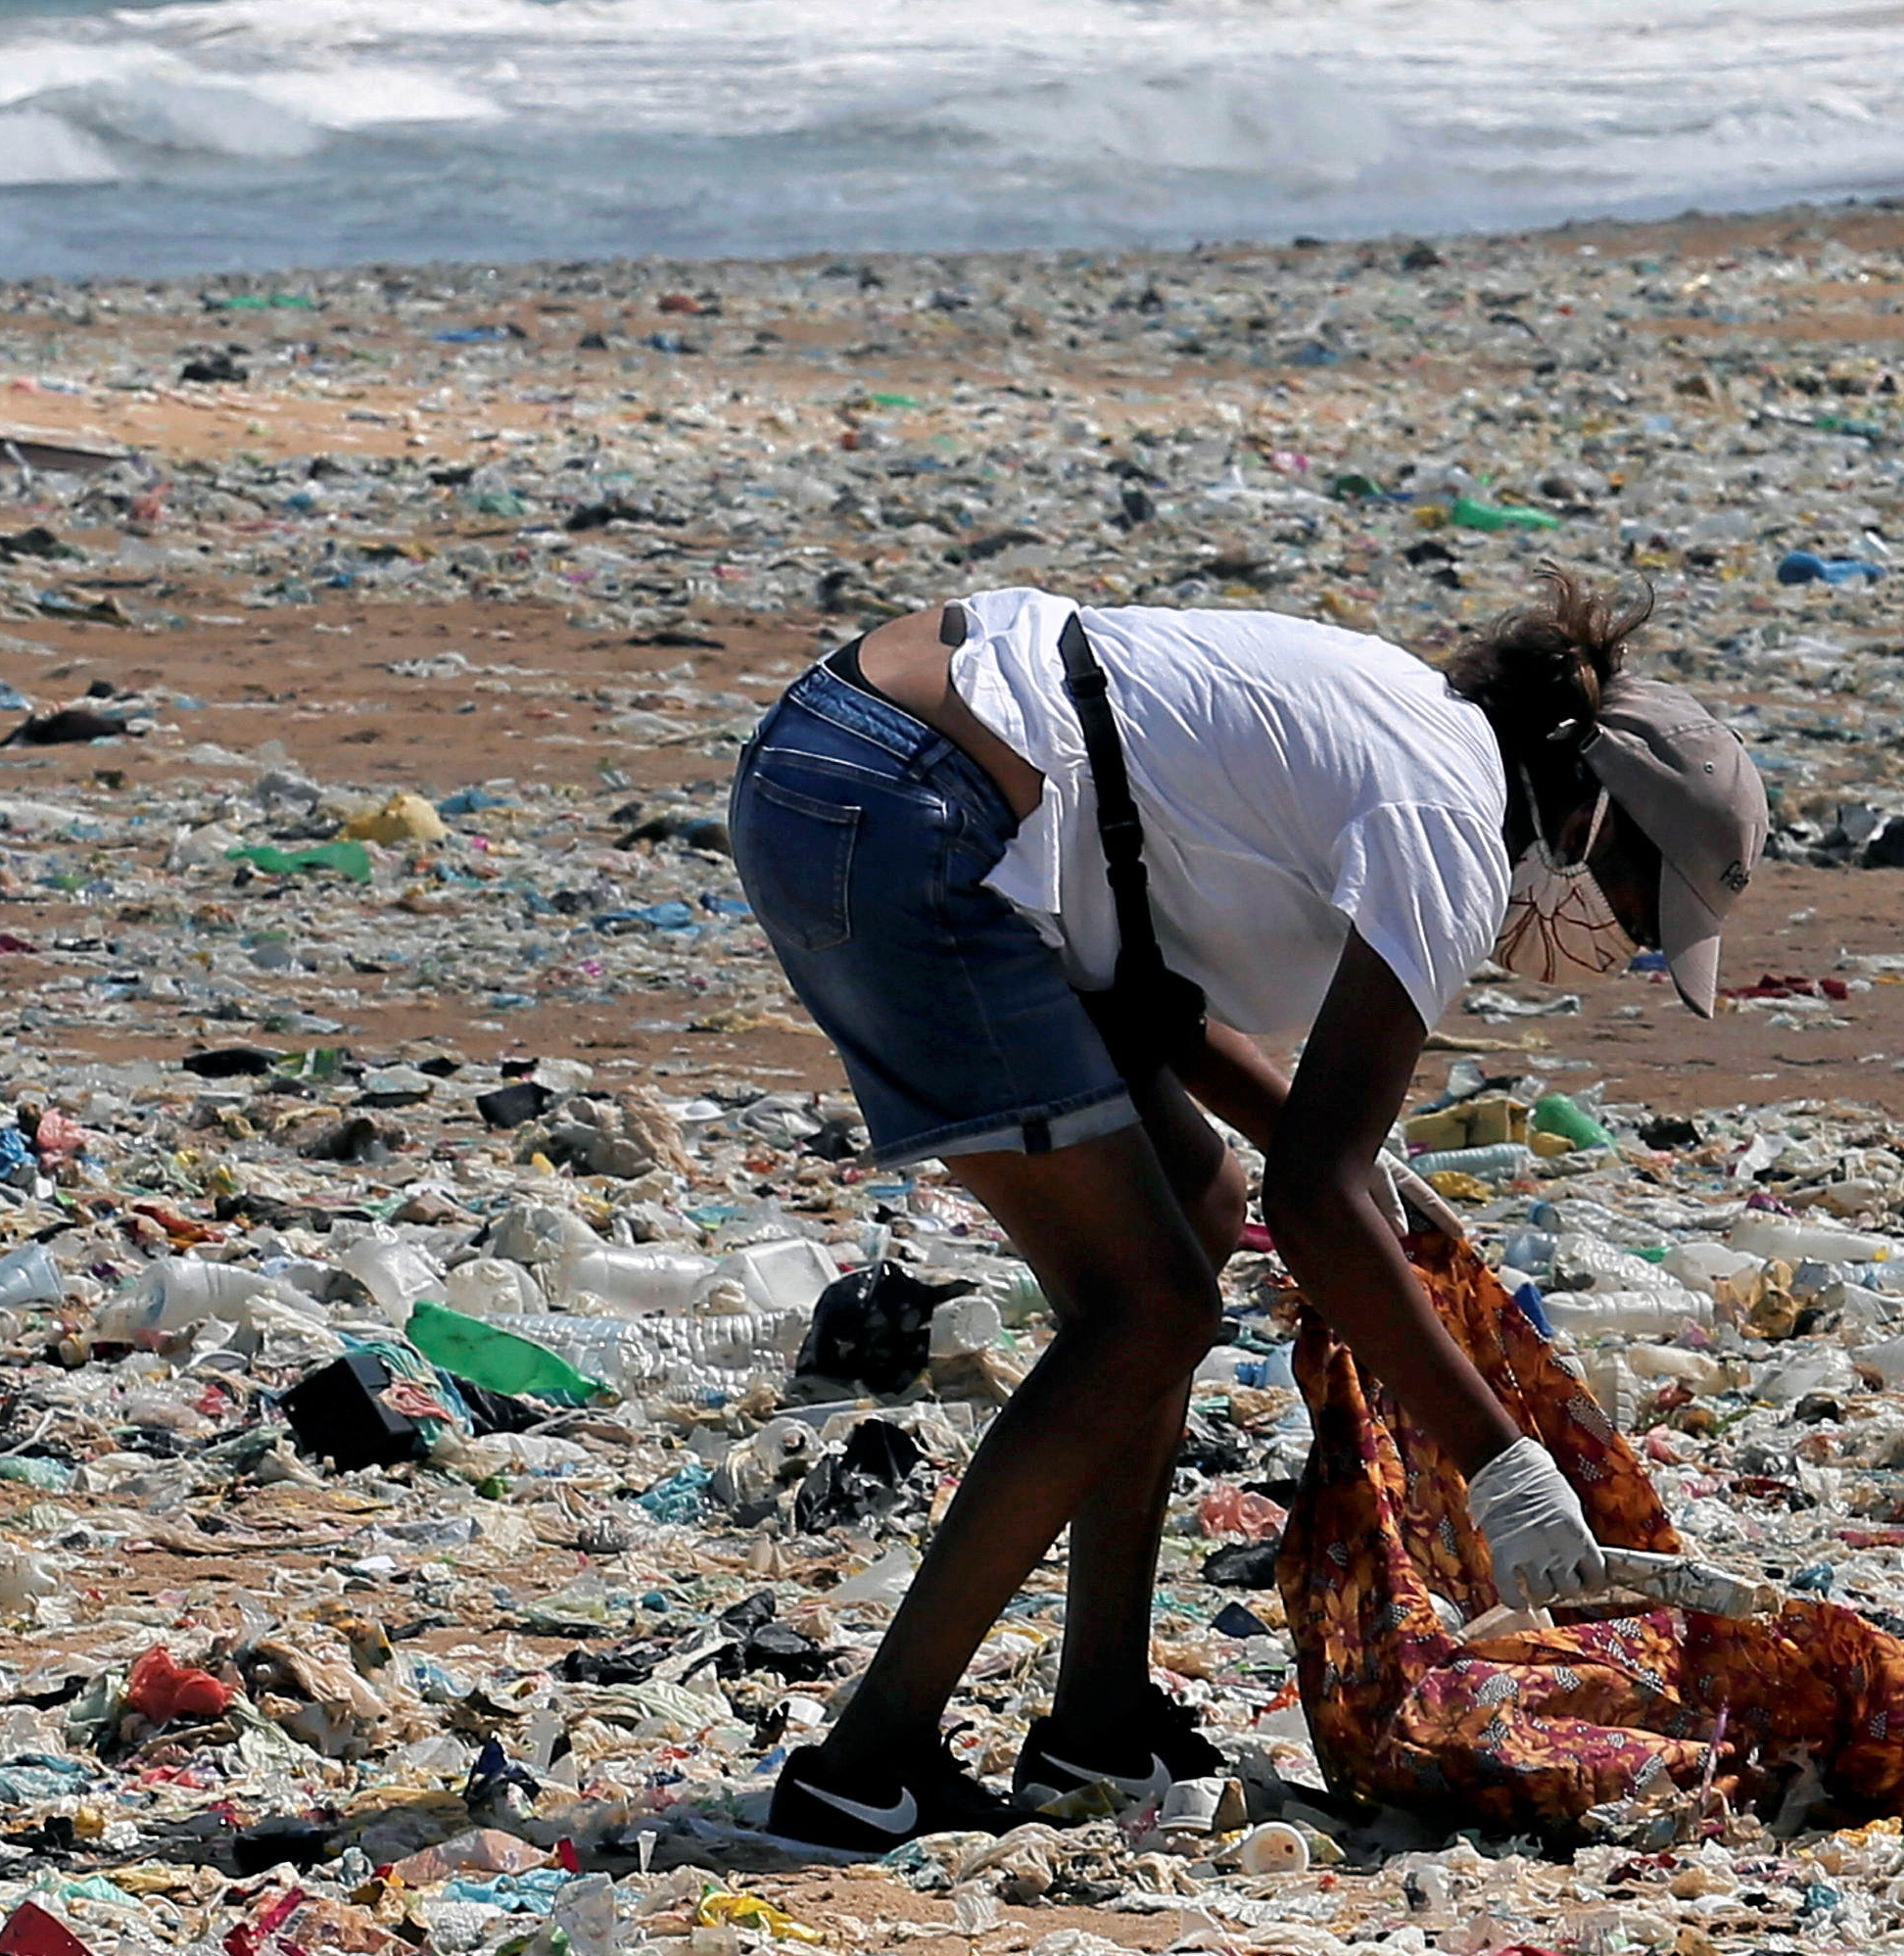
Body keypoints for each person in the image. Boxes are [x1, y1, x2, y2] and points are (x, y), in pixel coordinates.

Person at [720, 568, 1769, 1852]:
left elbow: (1159, 1013)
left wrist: (1327, 1151)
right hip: (897, 805)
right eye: (1641, 931)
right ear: (1598, 823)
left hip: (869, 766)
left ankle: (1096, 1724)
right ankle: (862, 1765)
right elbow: (1316, 1207)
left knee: (1194, 1207)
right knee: (1145, 1308)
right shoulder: (1448, 820)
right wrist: (1505, 1470)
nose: (1621, 961)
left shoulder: (1424, 739)